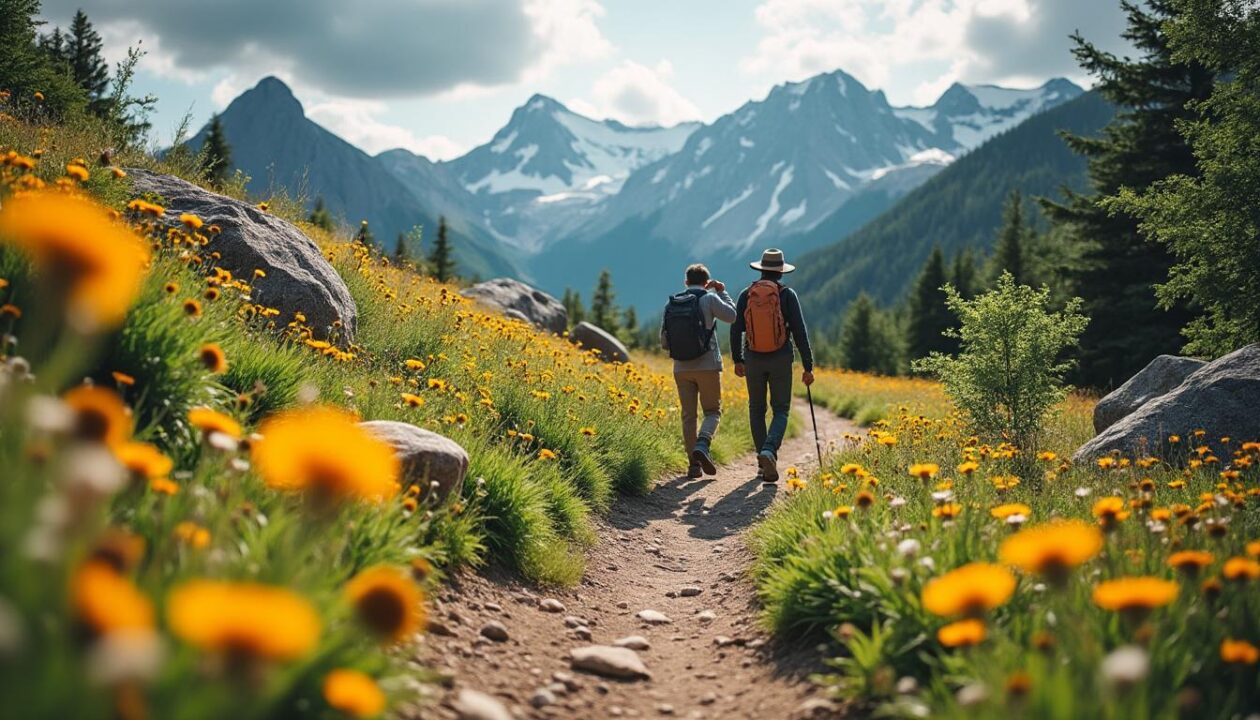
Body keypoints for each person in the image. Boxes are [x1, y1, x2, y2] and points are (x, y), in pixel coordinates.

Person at [730, 248, 813, 483]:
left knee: (756, 409)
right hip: (781, 357)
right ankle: (769, 451)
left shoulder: (747, 294)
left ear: (761, 268)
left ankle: (761, 461)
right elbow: (799, 331)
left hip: (753, 357)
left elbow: (736, 329)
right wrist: (808, 365)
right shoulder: (787, 295)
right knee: (781, 409)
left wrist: (737, 359)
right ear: (780, 272)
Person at [660, 263, 737, 478]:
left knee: (688, 415)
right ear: (706, 283)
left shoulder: (672, 304)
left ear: (686, 282)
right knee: (712, 411)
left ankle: (693, 466)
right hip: (708, 366)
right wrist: (722, 291)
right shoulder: (710, 298)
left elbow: (664, 341)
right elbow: (732, 316)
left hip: (681, 368)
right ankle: (703, 445)